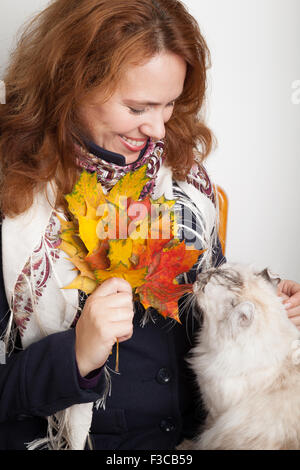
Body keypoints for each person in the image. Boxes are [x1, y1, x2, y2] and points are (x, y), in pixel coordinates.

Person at [0, 0, 299, 451]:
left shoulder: (185, 179)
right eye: (139, 107)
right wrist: (74, 354)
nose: (159, 129)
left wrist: (262, 310)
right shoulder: (13, 203)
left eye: (170, 105)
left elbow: (198, 304)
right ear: (72, 84)